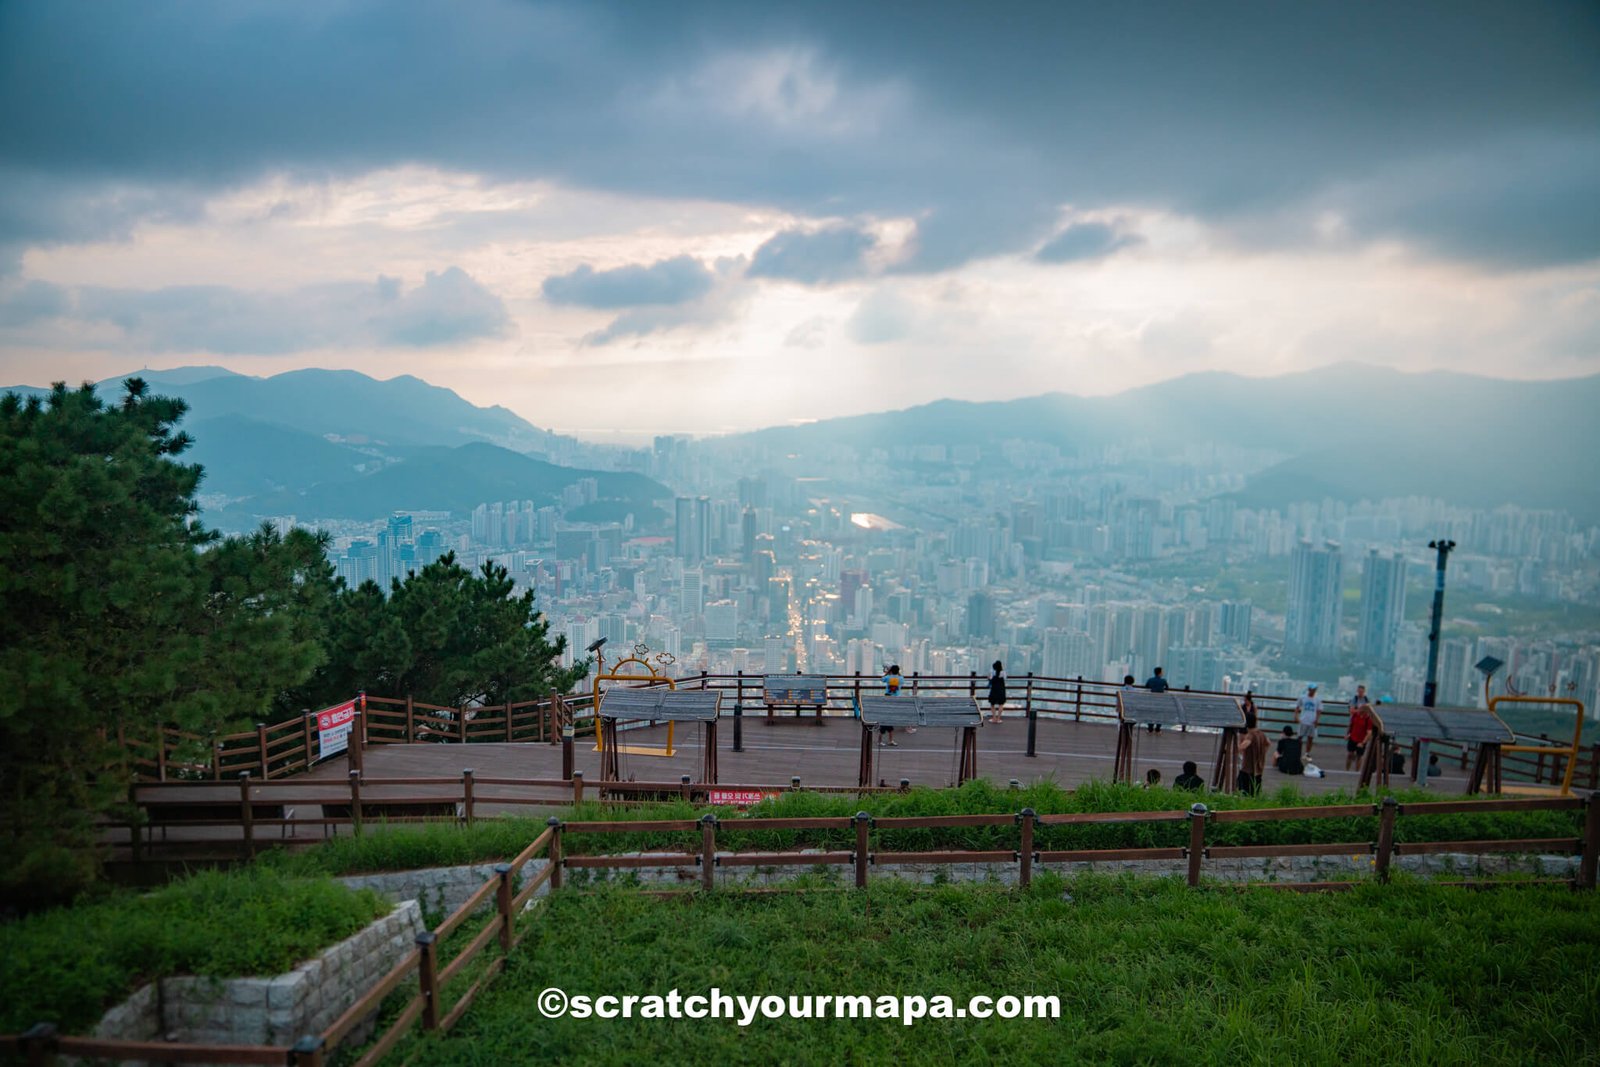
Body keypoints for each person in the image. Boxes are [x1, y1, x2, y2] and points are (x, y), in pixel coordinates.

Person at [1237, 709, 1270, 795]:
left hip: (1248, 769)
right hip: (1259, 769)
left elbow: (1244, 745)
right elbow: (1268, 743)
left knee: (1242, 790)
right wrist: (1262, 753)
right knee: (1255, 792)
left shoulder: (1251, 735)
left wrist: (1236, 749)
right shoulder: (1261, 734)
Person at [1345, 697, 1375, 772]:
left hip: (1361, 740)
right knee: (1349, 754)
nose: (1359, 710)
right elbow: (1351, 725)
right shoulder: (1355, 715)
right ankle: (1346, 770)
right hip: (1353, 737)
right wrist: (1348, 734)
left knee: (1359, 756)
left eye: (1361, 708)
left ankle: (1357, 772)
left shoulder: (1368, 719)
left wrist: (1362, 743)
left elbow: (1369, 733)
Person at [1296, 684, 1323, 758]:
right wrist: (1296, 716)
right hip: (1303, 720)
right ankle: (1297, 750)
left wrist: (1317, 720)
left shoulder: (1318, 699)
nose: (1313, 691)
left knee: (1310, 738)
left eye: (1314, 689)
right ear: (1309, 689)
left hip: (1312, 721)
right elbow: (1297, 707)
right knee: (1299, 736)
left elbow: (1319, 710)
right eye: (1312, 689)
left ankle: (1307, 752)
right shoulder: (1302, 697)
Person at [879, 665, 902, 747]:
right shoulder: (901, 678)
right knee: (890, 718)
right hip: (896, 699)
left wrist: (888, 673)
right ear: (898, 671)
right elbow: (901, 678)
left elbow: (881, 679)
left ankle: (884, 740)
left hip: (887, 697)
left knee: (886, 716)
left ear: (891, 671)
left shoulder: (888, 677)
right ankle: (890, 740)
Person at [1144, 667, 1168, 732]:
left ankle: (1150, 728)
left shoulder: (1150, 680)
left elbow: (1146, 687)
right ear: (1160, 673)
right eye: (1162, 672)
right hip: (1160, 700)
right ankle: (1158, 728)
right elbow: (1167, 688)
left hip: (1151, 699)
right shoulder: (1163, 681)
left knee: (1150, 713)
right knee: (1159, 714)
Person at [986, 660, 1007, 725]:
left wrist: (988, 678)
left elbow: (990, 678)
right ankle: (998, 719)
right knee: (1001, 704)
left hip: (994, 689)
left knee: (992, 704)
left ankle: (994, 718)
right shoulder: (1003, 672)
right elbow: (1005, 678)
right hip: (1001, 689)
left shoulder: (992, 672)